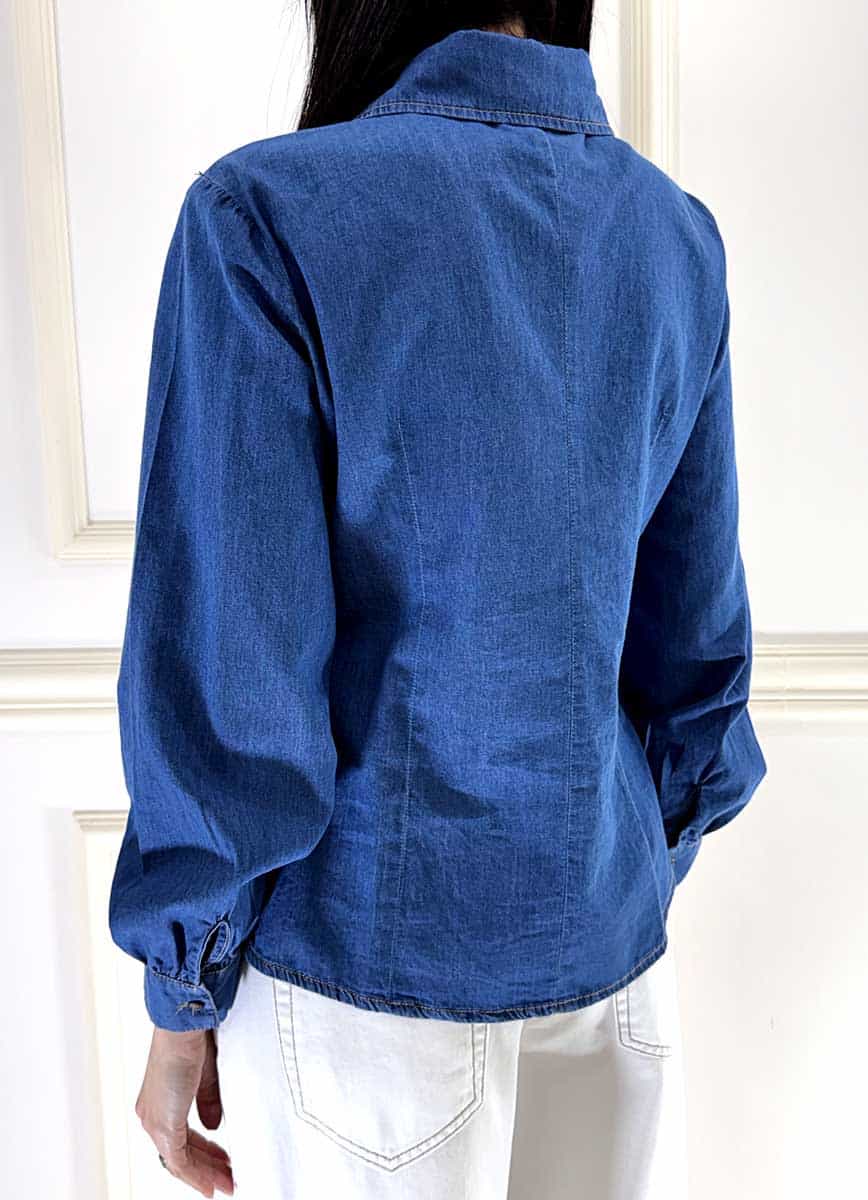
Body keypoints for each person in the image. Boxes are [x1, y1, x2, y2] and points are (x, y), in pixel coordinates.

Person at [108, 4, 767, 1198]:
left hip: (364, 996)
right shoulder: (672, 236)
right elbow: (698, 657)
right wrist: (604, 866)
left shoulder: (264, 214)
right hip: (611, 970)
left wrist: (182, 997)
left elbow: (236, 682)